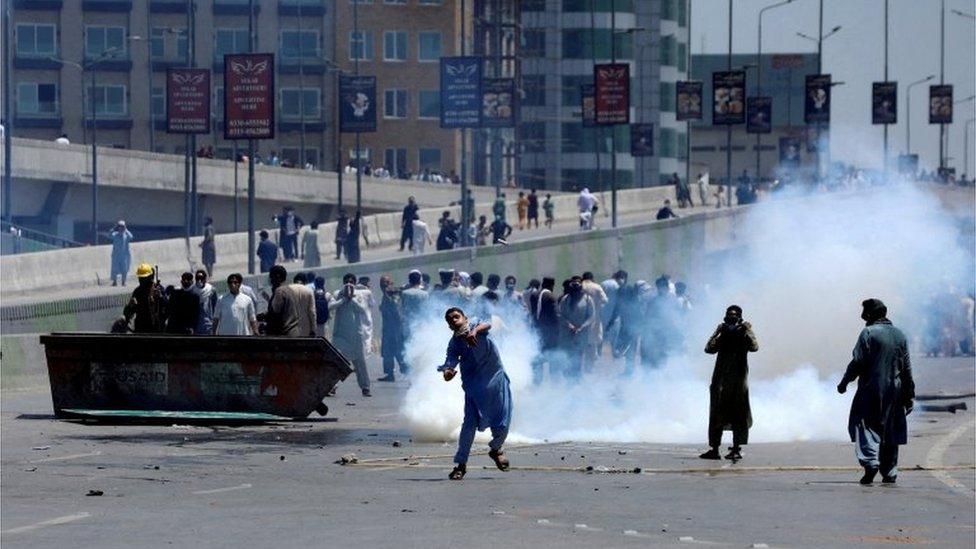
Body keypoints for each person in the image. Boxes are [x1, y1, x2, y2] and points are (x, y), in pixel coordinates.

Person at [837, 299, 915, 485]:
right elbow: (907, 367)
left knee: (866, 425)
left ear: (871, 314)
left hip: (871, 389)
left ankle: (871, 463)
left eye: (865, 311)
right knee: (890, 429)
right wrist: (909, 394)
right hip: (894, 390)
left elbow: (857, 362)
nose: (862, 315)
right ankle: (890, 471)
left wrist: (844, 382)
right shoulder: (900, 335)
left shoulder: (868, 333)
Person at [438, 308, 513, 480]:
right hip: (474, 387)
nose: (454, 321)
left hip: (496, 382)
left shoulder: (476, 324)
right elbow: (449, 363)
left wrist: (474, 331)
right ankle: (460, 465)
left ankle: (496, 449)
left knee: (502, 423)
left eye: (456, 317)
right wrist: (448, 373)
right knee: (469, 425)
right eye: (450, 320)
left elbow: (488, 324)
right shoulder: (455, 343)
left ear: (464, 317)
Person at [700, 305, 758, 461]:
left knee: (738, 416)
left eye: (734, 315)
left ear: (739, 317)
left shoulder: (743, 334)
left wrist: (748, 330)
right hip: (721, 382)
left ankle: (736, 448)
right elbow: (708, 349)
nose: (731, 318)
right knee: (716, 415)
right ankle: (714, 449)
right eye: (729, 315)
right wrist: (717, 332)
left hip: (738, 383)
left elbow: (754, 347)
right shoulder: (723, 334)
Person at [330, 277, 373, 396]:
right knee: (337, 363)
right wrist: (343, 300)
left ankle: (365, 387)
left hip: (356, 336)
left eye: (351, 282)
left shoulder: (360, 295)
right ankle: (332, 386)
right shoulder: (337, 294)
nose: (349, 284)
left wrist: (352, 299)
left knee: (360, 363)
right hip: (340, 335)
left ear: (355, 284)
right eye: (347, 282)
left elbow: (363, 310)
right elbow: (330, 307)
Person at [558, 276, 596, 378]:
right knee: (568, 355)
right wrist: (569, 326)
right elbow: (561, 315)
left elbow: (591, 316)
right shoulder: (565, 300)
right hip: (568, 333)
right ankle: (569, 377)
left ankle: (577, 377)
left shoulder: (588, 299)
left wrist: (582, 327)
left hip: (582, 333)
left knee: (579, 355)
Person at [265, 265, 316, 337]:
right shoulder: (289, 290)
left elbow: (276, 311)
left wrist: (265, 317)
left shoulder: (279, 291)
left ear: (278, 277)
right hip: (293, 333)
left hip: (283, 335)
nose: (270, 279)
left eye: (271, 276)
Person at [377, 275, 408, 382]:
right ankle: (390, 374)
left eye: (386, 282)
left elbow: (396, 311)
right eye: (382, 283)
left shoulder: (393, 294)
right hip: (388, 328)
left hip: (395, 329)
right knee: (388, 352)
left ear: (391, 283)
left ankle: (407, 371)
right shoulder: (386, 294)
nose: (383, 285)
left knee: (397, 351)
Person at [123, 263, 167, 333]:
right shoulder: (138, 291)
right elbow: (128, 313)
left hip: (156, 329)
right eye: (140, 277)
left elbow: (167, 308)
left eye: (144, 278)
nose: (141, 280)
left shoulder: (158, 289)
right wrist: (130, 306)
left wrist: (160, 297)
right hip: (141, 328)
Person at [581, 272, 608, 364]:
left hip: (580, 316)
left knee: (582, 340)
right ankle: (590, 364)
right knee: (593, 340)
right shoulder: (597, 287)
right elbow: (605, 300)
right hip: (594, 316)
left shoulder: (580, 286)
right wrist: (598, 306)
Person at [192, 269, 217, 336]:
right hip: (195, 324)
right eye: (198, 278)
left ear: (205, 279)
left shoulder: (211, 290)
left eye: (201, 278)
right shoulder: (192, 290)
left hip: (208, 323)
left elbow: (215, 307)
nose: (200, 280)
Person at [109, 220, 133, 287]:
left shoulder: (126, 235)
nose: (121, 228)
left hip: (124, 256)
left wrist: (126, 230)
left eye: (122, 227)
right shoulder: (115, 234)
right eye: (120, 226)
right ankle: (114, 282)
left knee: (124, 269)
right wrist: (114, 228)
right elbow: (109, 235)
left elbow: (131, 237)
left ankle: (123, 282)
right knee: (114, 269)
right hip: (116, 255)